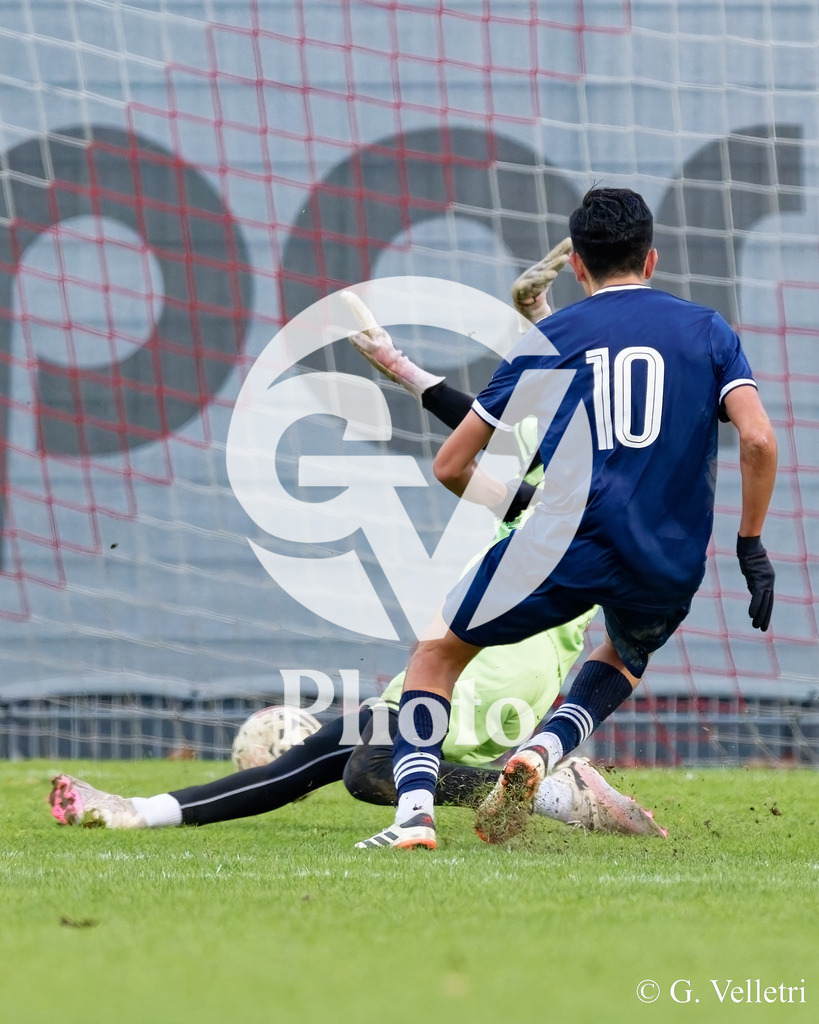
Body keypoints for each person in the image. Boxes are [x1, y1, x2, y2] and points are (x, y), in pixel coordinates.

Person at [48, 238, 666, 842]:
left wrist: (517, 326)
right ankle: (137, 812)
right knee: (320, 753)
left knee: (368, 766)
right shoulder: (565, 442)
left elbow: (538, 418)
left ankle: (557, 792)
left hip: (506, 655)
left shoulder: (596, 474)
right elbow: (497, 411)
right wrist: (406, 360)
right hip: (490, 638)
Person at [357, 186, 777, 851]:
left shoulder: (552, 337)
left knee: (435, 655)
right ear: (652, 257)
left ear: (576, 265)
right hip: (665, 557)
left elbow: (450, 465)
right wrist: (749, 545)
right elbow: (757, 441)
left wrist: (521, 505)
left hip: (557, 545)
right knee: (624, 654)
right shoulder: (707, 331)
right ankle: (545, 750)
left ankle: (412, 816)